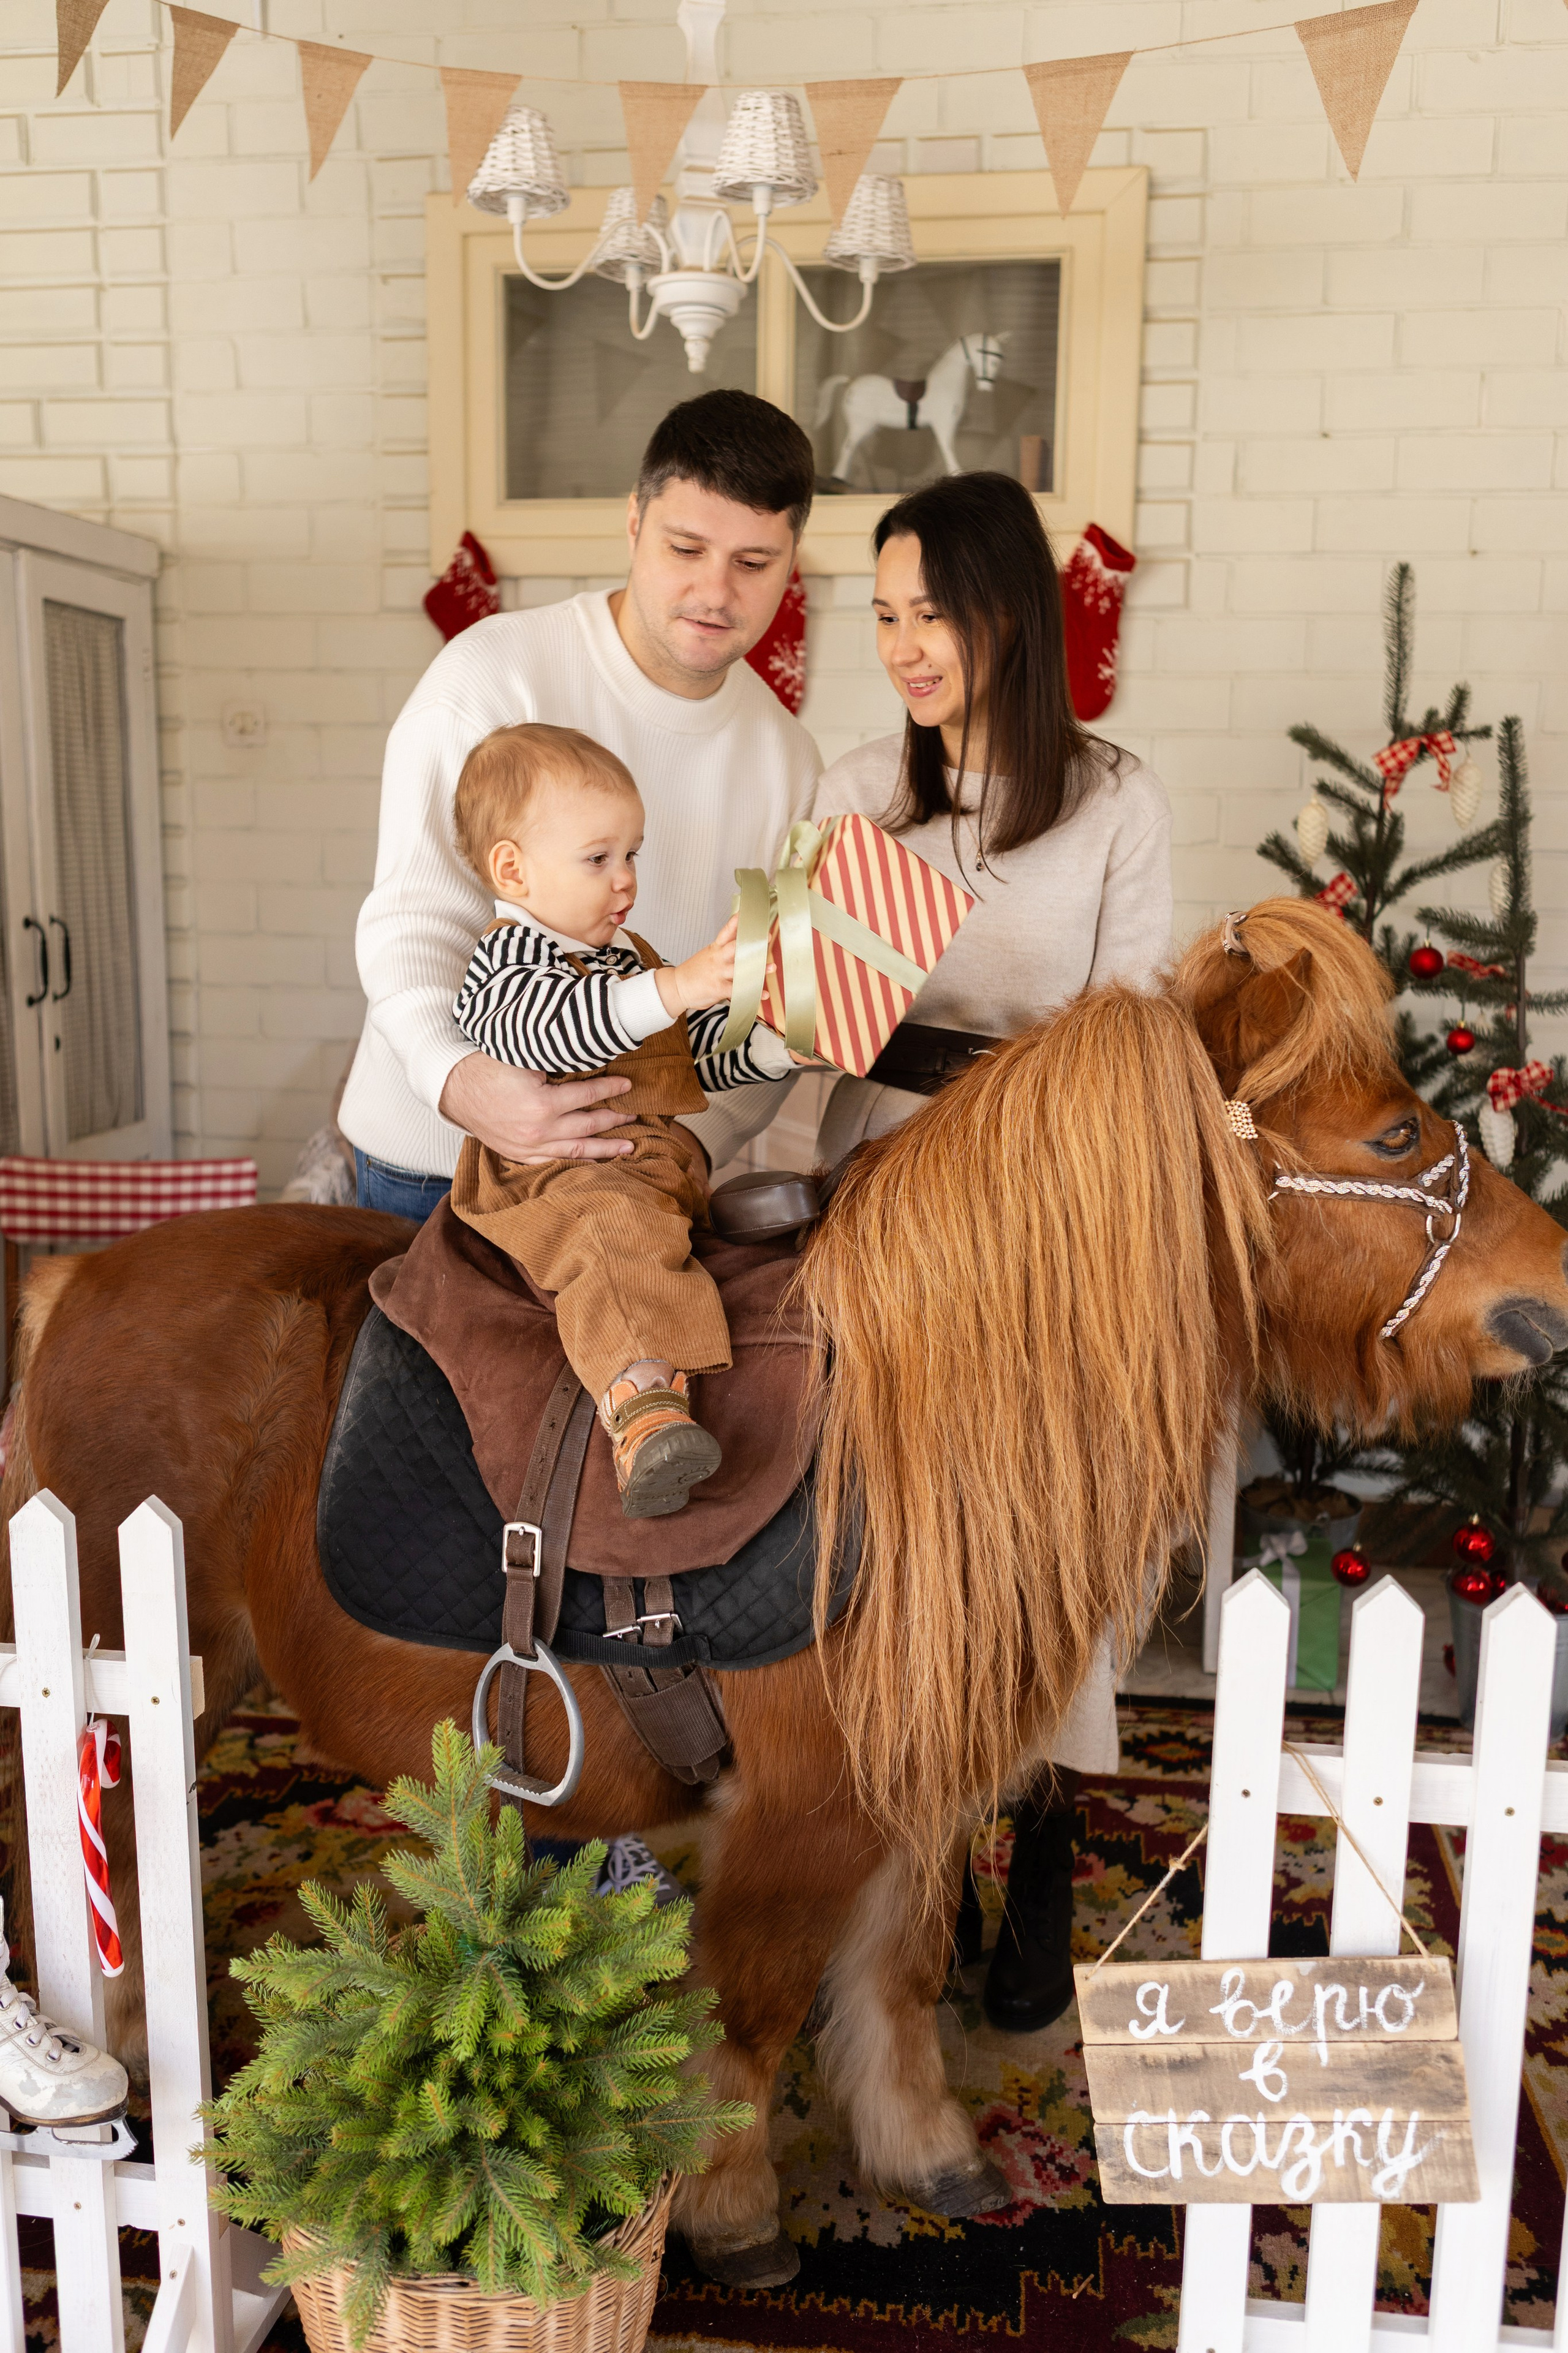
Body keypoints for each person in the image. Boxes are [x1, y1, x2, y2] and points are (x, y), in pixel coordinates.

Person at [811, 470, 1174, 2032]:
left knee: (1041, 1518)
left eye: (932, 614)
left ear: (1009, 615)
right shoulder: (853, 787)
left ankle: (1040, 1826)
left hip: (1033, 1198)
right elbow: (800, 1035)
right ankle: (909, 1826)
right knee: (881, 1519)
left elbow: (1131, 1038)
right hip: (873, 1178)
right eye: (883, 615)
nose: (902, 645)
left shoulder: (1112, 799)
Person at [338, 389, 820, 1219]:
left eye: (753, 563)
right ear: (634, 522)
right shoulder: (492, 674)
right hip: (430, 1165)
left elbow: (759, 1001)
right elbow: (415, 919)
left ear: (791, 559)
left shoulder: (792, 763)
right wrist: (458, 1079)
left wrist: (683, 1146)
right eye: (686, 548)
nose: (715, 591)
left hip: (626, 1185)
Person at [448, 722, 796, 1516]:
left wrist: (776, 1044)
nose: (626, 879)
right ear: (513, 869)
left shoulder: (629, 959)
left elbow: (683, 1058)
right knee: (610, 1241)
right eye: (598, 859)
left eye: (633, 854)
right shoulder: (508, 962)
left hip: (654, 1168)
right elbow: (551, 1030)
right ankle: (643, 1409)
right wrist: (675, 987)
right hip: (560, 1178)